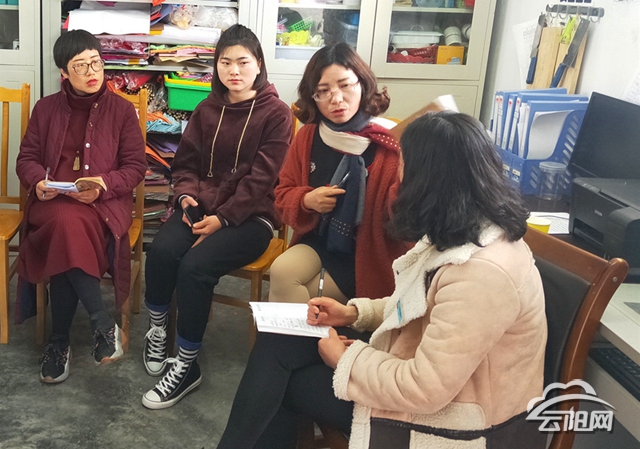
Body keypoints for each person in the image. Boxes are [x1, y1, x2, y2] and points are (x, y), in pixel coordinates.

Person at [216, 111, 547, 449]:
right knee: (279, 340)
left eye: (403, 165)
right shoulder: (462, 229)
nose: (397, 177)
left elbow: (425, 389)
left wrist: (346, 359)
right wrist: (353, 313)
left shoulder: (482, 274)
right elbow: (420, 304)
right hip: (422, 371)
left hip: (456, 420)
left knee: (283, 384)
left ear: (427, 180)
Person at [141, 24, 293, 410]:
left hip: (251, 217)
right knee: (161, 251)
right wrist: (186, 197)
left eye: (243, 62)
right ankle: (158, 330)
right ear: (216, 66)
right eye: (225, 62)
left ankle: (186, 364)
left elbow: (262, 179)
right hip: (202, 207)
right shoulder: (206, 109)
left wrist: (223, 219)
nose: (234, 71)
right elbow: (185, 163)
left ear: (259, 64)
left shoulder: (276, 114)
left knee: (195, 268)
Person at [15, 29, 147, 383]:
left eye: (96, 63)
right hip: (51, 204)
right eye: (80, 66)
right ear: (63, 72)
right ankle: (103, 323)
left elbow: (135, 167)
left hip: (100, 206)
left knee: (67, 230)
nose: (92, 72)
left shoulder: (122, 111)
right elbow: (26, 160)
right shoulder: (45, 109)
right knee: (64, 223)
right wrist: (38, 182)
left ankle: (59, 342)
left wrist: (102, 185)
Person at [268, 43, 408, 305]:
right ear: (312, 96)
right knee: (281, 272)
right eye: (323, 91)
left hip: (368, 253)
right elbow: (282, 195)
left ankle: (310, 331)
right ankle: (305, 332)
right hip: (320, 239)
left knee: (302, 294)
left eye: (345, 85)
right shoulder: (308, 136)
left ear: (362, 84)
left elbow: (404, 219)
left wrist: (411, 175)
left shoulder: (390, 143)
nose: (336, 99)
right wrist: (306, 200)